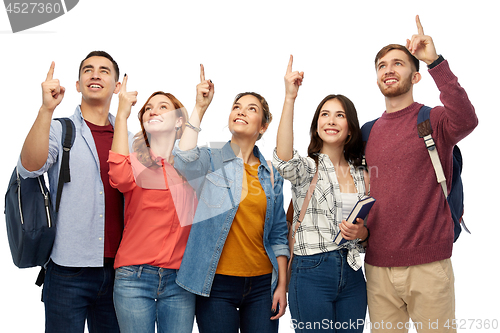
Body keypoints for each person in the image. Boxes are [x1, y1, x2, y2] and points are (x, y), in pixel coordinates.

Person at [363, 16, 478, 332]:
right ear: (376, 79)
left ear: (414, 76)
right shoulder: (367, 132)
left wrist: (435, 62)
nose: (389, 69)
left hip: (428, 266)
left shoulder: (433, 120)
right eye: (383, 65)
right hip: (377, 269)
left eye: (398, 63)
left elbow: (467, 120)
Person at [172, 65, 289, 333]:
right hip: (215, 284)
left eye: (251, 109)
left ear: (264, 125)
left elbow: (279, 234)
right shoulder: (211, 159)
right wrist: (199, 108)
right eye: (237, 106)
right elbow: (183, 159)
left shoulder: (271, 173)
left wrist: (281, 285)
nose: (241, 111)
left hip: (262, 285)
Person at [18, 51, 128, 332]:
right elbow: (29, 168)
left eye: (104, 70)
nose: (95, 74)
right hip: (68, 270)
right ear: (78, 85)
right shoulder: (59, 128)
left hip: (122, 271)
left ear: (117, 85)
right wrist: (46, 110)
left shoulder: (127, 136)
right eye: (88, 69)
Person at [273, 55, 368, 333]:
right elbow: (284, 159)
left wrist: (362, 234)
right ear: (316, 125)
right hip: (312, 270)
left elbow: (368, 226)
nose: (331, 120)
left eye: (340, 115)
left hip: (352, 273)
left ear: (350, 127)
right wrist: (290, 97)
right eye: (325, 114)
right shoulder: (308, 166)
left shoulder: (362, 171)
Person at [108, 75, 196, 333]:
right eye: (148, 108)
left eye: (163, 107)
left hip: (179, 281)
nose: (153, 111)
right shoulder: (136, 162)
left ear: (179, 121)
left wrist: (199, 108)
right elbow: (118, 177)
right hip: (133, 278)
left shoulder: (192, 167)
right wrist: (122, 116)